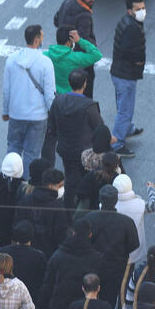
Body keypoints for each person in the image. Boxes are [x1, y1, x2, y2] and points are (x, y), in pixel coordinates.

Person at [44, 69, 104, 208]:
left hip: (66, 149)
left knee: (70, 179)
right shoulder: (89, 106)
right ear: (85, 84)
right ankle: (86, 207)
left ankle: (69, 208)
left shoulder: (58, 101)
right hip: (86, 152)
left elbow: (51, 125)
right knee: (88, 180)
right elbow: (100, 128)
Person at [4, 25, 57, 170]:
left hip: (16, 114)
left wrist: (5, 111)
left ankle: (9, 179)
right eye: (42, 36)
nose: (43, 38)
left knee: (13, 149)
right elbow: (49, 93)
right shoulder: (45, 62)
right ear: (36, 40)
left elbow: (6, 89)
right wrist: (53, 114)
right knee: (32, 154)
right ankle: (26, 187)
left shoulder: (12, 60)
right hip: (38, 116)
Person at [83, 185, 139, 306]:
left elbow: (83, 241)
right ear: (116, 200)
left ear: (100, 199)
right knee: (119, 299)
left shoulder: (89, 218)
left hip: (94, 267)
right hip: (118, 268)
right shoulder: (126, 221)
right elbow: (134, 245)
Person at [109, 0, 147, 157]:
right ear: (129, 11)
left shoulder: (126, 21)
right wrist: (139, 61)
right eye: (138, 9)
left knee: (123, 105)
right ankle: (117, 144)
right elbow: (128, 51)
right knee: (125, 110)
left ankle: (128, 129)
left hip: (119, 72)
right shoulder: (132, 27)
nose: (142, 11)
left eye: (143, 7)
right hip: (126, 74)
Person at [54, 0, 98, 98]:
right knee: (86, 95)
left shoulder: (66, 3)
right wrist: (93, 46)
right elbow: (83, 40)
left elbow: (56, 21)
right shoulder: (84, 15)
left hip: (63, 52)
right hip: (80, 61)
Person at [112, 174, 155, 267]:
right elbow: (153, 206)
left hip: (113, 247)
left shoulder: (107, 204)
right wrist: (151, 190)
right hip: (133, 248)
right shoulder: (139, 204)